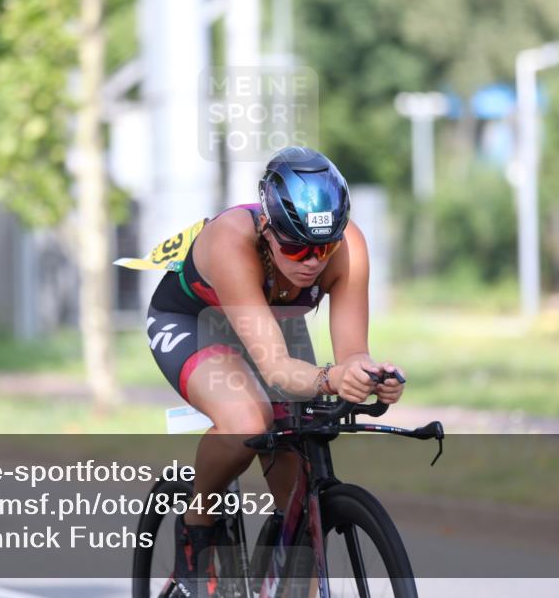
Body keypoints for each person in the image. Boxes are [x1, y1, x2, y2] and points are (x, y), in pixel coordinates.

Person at [141, 147, 405, 597]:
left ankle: (278, 568)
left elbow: (352, 353)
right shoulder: (231, 240)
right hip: (196, 321)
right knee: (248, 420)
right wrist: (328, 379)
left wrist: (372, 375)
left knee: (299, 496)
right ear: (266, 227)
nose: (312, 261)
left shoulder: (349, 246)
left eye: (324, 246)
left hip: (272, 324)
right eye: (296, 246)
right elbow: (278, 368)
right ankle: (196, 526)